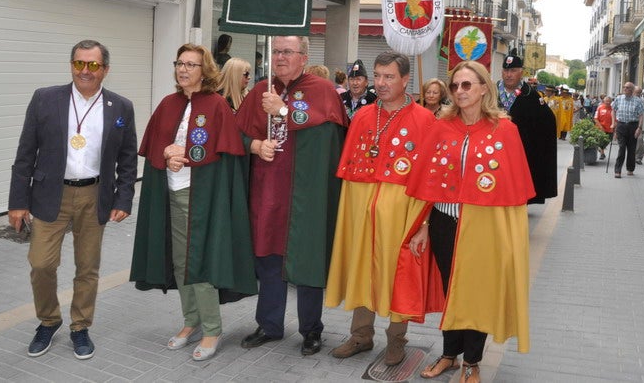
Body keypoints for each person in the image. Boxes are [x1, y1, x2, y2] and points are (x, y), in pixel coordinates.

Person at [405, 61, 535, 382]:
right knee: (452, 291)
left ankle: (472, 362)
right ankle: (449, 355)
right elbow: (427, 182)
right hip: (444, 223)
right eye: (455, 86)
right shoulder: (440, 126)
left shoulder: (504, 130)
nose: (460, 91)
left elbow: (513, 189)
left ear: (483, 89)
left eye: (467, 85)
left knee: (477, 293)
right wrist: (423, 226)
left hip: (483, 228)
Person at [8, 40, 138, 360]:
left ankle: (80, 326)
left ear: (105, 70)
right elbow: (26, 152)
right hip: (51, 192)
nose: (85, 71)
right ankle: (49, 320)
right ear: (71, 65)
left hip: (95, 194)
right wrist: (17, 201)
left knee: (88, 266)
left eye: (93, 65)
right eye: (79, 63)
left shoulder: (120, 106)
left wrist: (124, 197)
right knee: (41, 263)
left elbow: (127, 157)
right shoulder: (45, 98)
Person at [130, 44, 257, 362]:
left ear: (206, 70)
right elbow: (156, 142)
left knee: (199, 262)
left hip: (201, 196)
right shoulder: (168, 103)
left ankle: (212, 328)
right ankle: (191, 322)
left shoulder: (215, 105)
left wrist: (184, 156)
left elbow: (226, 152)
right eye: (179, 63)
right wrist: (167, 153)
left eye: (191, 64)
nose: (183, 69)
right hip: (168, 193)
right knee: (179, 262)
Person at [236, 36, 349, 356]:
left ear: (303, 57)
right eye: (276, 52)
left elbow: (328, 137)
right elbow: (236, 133)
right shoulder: (260, 91)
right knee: (269, 259)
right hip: (267, 192)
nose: (280, 58)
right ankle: (269, 325)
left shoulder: (323, 90)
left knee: (307, 263)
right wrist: (255, 145)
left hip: (306, 196)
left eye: (287, 52)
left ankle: (311, 329)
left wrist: (283, 110)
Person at [326, 52, 436, 366]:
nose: (381, 83)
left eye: (389, 77)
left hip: (401, 210)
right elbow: (349, 169)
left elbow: (430, 177)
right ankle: (360, 336)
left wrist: (424, 220)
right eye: (378, 76)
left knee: (397, 273)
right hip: (362, 205)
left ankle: (396, 341)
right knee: (362, 269)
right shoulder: (361, 115)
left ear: (405, 80)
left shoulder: (424, 120)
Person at [497, 54, 557, 204]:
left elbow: (548, 122)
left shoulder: (530, 95)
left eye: (514, 70)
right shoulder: (491, 92)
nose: (509, 74)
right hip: (493, 148)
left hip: (519, 151)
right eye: (506, 70)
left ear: (521, 72)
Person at [611, 82, 644, 178]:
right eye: (624, 87)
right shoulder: (619, 99)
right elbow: (613, 110)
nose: (625, 89)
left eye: (627, 87)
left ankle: (630, 168)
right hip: (621, 125)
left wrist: (639, 128)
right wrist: (613, 122)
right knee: (621, 148)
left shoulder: (637, 101)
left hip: (633, 126)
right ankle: (617, 170)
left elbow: (641, 115)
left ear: (632, 90)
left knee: (631, 149)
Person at [594, 96, 614, 160]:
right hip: (601, 128)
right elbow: (595, 118)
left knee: (608, 141)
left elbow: (616, 119)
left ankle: (600, 150)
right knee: (601, 141)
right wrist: (600, 127)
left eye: (609, 101)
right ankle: (602, 154)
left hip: (610, 129)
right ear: (604, 101)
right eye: (606, 101)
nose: (608, 102)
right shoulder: (599, 108)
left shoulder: (613, 109)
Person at [634, 86, 644, 164]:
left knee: (639, 140)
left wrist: (643, 127)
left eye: (639, 92)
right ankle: (633, 156)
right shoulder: (631, 99)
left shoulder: (643, 101)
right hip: (632, 123)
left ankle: (638, 157)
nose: (638, 94)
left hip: (640, 124)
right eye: (636, 92)